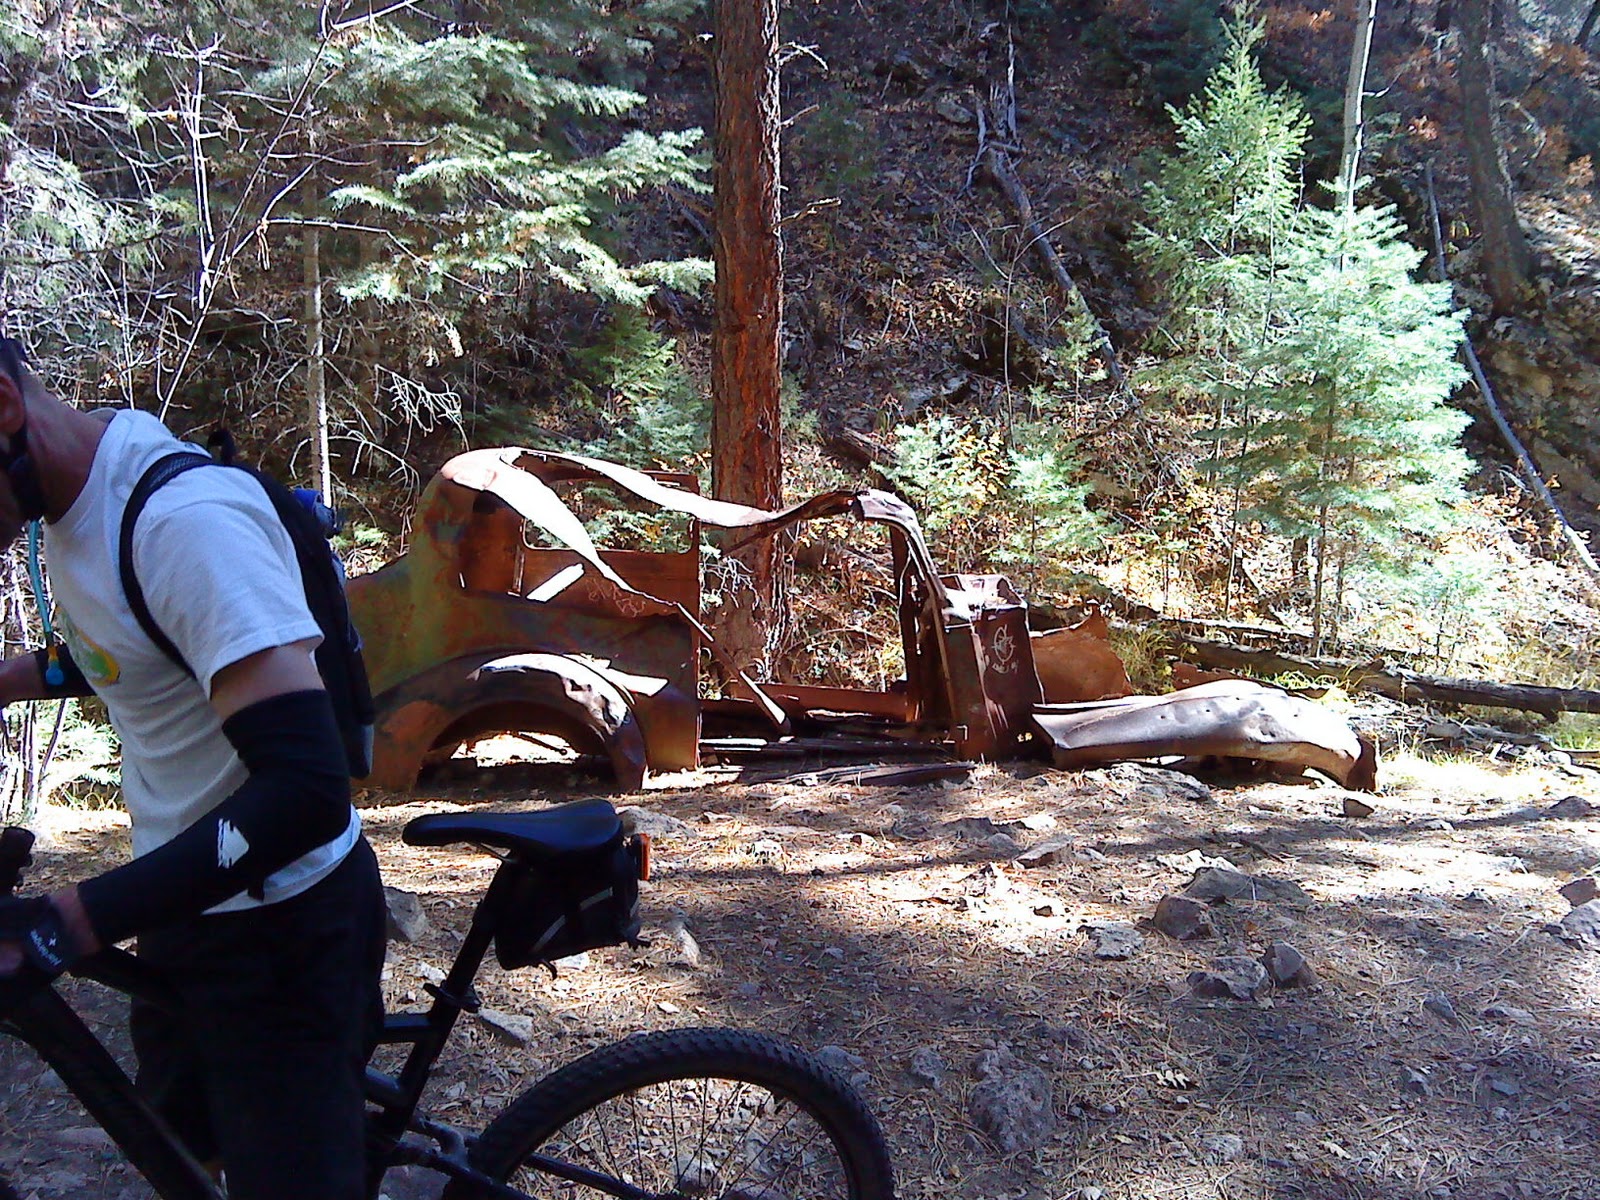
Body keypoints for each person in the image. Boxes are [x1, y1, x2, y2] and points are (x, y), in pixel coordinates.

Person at [0, 336, 386, 1200]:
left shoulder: (184, 524)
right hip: (185, 899)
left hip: (285, 931)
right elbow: (124, 651)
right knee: (180, 1156)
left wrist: (70, 918)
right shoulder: (77, 503)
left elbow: (306, 792)